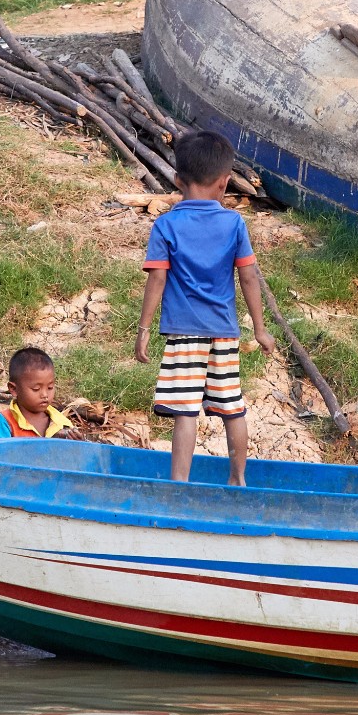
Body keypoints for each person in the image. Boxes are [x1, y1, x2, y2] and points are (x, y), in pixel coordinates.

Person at [134, 131, 277, 485]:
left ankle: (179, 484)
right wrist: (259, 329)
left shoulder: (166, 225)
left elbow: (157, 281)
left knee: (185, 411)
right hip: (225, 332)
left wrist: (144, 329)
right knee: (232, 408)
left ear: (178, 180)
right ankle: (237, 479)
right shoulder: (234, 223)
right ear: (226, 182)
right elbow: (248, 278)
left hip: (184, 332)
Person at [0, 348, 81, 440]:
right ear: (14, 389)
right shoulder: (5, 422)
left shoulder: (60, 422)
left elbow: (73, 454)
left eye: (50, 388)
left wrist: (78, 444)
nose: (45, 394)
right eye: (36, 389)